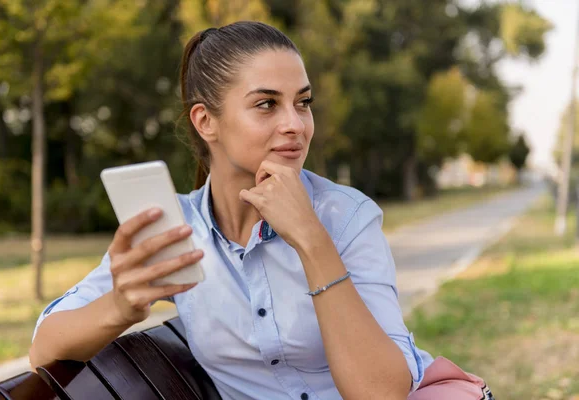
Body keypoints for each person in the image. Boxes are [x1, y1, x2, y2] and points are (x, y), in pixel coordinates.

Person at [30, 21, 492, 400]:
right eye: (267, 104)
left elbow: (381, 394)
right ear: (205, 121)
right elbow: (43, 348)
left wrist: (310, 239)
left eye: (303, 103)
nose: (295, 124)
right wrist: (119, 306)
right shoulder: (176, 230)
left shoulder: (346, 216)